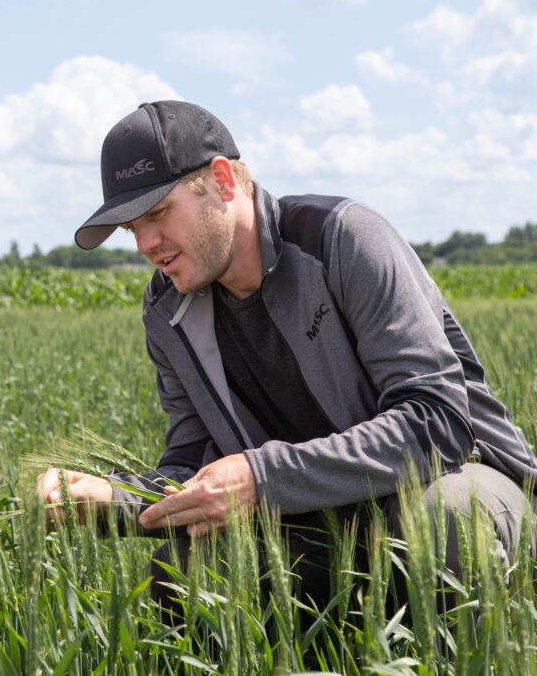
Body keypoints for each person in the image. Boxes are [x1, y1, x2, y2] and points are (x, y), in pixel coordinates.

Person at [36, 99, 537, 615]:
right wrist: (111, 500)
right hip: (319, 517)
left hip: (457, 482)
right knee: (182, 573)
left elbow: (439, 424)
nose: (146, 243)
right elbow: (192, 465)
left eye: (159, 213)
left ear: (223, 181)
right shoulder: (168, 312)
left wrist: (261, 477)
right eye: (130, 228)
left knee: (442, 522)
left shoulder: (342, 239)